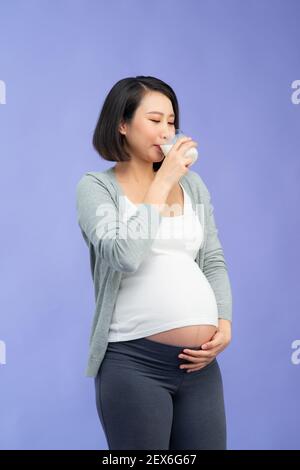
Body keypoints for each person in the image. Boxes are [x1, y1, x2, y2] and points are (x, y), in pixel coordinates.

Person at [76, 75, 233, 450]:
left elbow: (211, 259)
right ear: (123, 124)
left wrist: (224, 321)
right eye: (155, 119)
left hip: (200, 368)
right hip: (133, 364)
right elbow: (123, 255)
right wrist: (161, 185)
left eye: (172, 121)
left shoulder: (193, 186)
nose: (166, 130)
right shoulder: (95, 188)